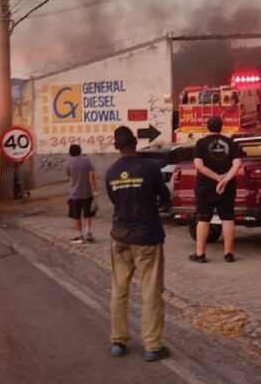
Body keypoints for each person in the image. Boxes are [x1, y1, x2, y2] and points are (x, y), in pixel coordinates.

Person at [105, 126, 171, 362]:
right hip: (147, 238)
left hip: (120, 237)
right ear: (135, 143)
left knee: (119, 290)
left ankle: (118, 342)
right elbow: (165, 197)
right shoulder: (150, 168)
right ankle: (152, 346)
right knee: (151, 291)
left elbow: (114, 201)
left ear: (116, 146)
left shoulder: (111, 172)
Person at [190, 115, 242, 263]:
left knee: (203, 220)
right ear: (221, 127)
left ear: (208, 127)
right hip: (227, 187)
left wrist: (216, 178)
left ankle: (200, 254)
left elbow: (199, 166)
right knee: (227, 219)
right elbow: (237, 165)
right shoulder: (231, 143)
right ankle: (228, 254)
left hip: (205, 187)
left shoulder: (200, 143)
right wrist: (224, 180)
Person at [65, 144, 97, 244]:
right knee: (88, 214)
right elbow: (91, 176)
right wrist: (94, 190)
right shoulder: (87, 161)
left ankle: (79, 235)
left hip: (75, 194)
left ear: (70, 152)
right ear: (80, 151)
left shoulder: (68, 163)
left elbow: (69, 176)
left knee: (76, 215)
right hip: (87, 192)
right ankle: (88, 232)